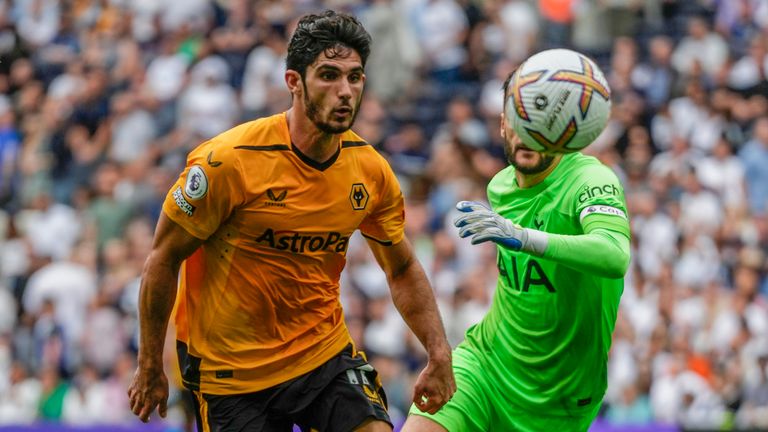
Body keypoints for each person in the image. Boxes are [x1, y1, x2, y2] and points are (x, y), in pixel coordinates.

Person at [127, 10, 455, 432]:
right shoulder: (228, 162)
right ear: (293, 82)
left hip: (322, 356)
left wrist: (438, 351)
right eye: (329, 76)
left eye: (354, 78)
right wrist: (150, 364)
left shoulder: (370, 171)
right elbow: (162, 259)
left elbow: (403, 267)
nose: (345, 92)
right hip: (233, 376)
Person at [403, 70, 631, 431]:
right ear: (502, 125)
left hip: (558, 394)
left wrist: (526, 239)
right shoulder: (500, 187)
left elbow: (615, 254)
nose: (528, 130)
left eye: (539, 118)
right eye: (517, 116)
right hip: (486, 364)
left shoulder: (591, 178)